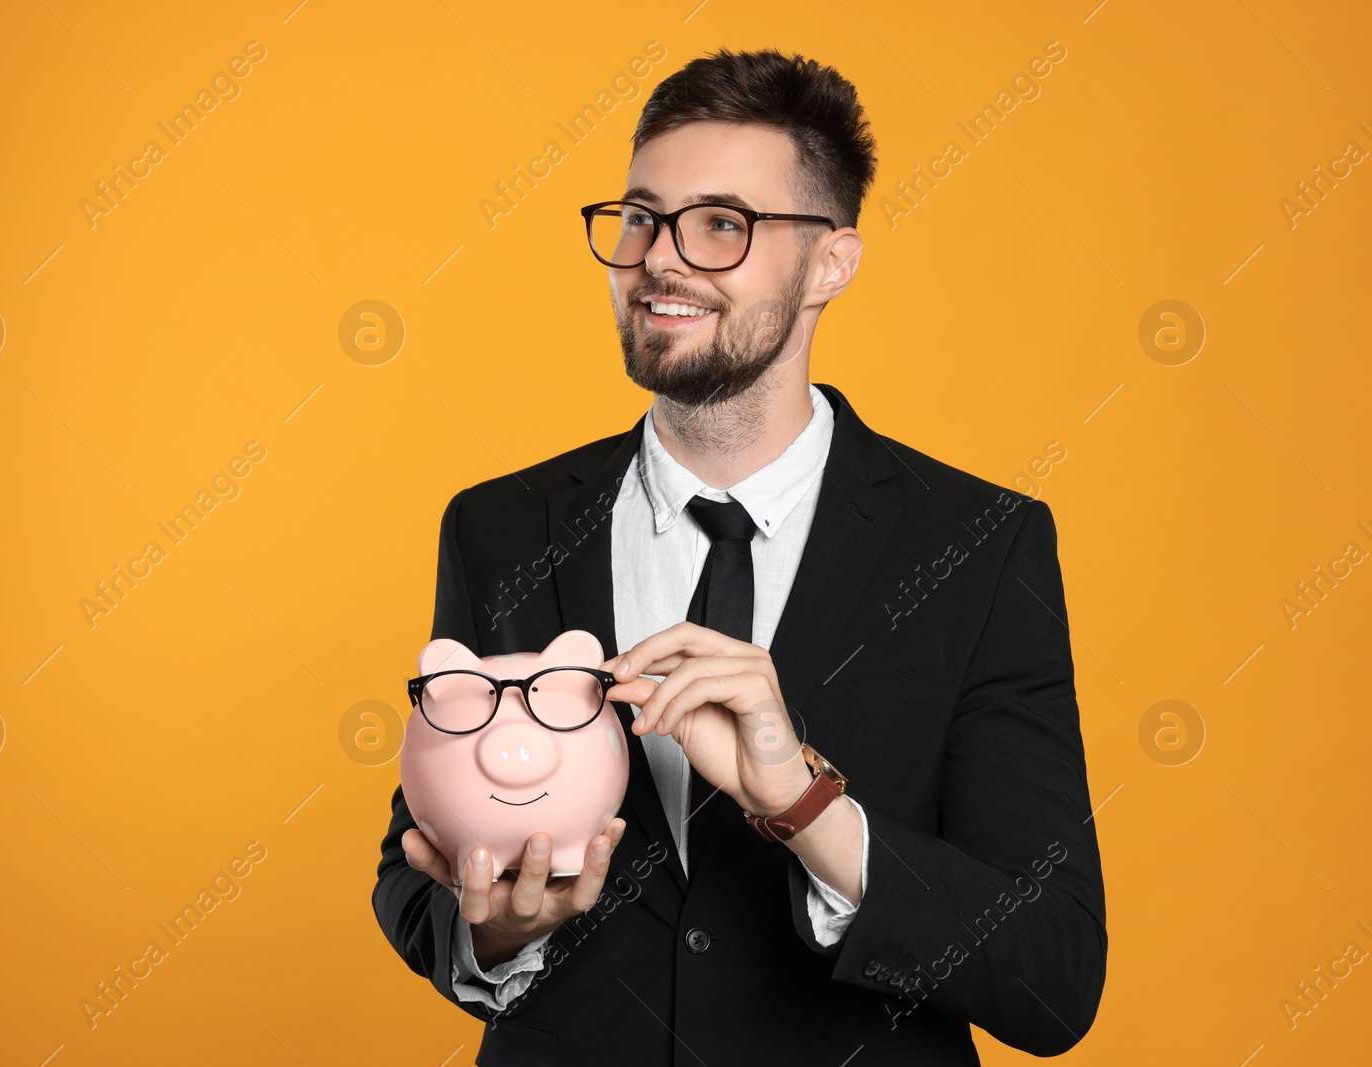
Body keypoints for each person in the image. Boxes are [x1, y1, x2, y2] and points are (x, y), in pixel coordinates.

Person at [373, 47, 1106, 1066]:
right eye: (640, 217)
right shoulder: (499, 523)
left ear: (830, 264)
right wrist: (495, 932)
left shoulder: (978, 542)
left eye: (723, 223)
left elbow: (1051, 972)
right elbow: (417, 856)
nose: (660, 260)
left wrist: (804, 805)